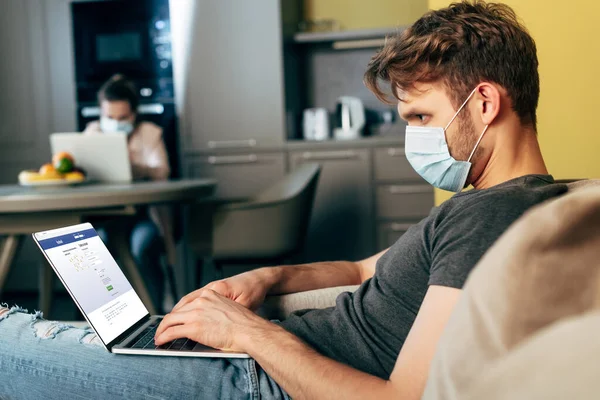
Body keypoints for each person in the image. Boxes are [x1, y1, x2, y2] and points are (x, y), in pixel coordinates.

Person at [0, 2, 569, 398]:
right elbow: (359, 268)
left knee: (10, 343)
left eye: (421, 117)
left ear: (485, 102)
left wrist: (245, 333)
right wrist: (268, 279)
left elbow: (401, 398)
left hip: (255, 377)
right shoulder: (499, 206)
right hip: (256, 357)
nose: (411, 138)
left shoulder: (492, 215)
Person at [84, 74, 178, 313]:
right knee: (94, 250)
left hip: (142, 217)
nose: (115, 122)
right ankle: (105, 318)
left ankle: (155, 315)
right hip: (103, 218)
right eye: (109, 117)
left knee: (142, 247)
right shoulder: (92, 133)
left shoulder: (149, 133)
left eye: (123, 117)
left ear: (134, 114)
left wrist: (134, 167)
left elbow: (162, 172)